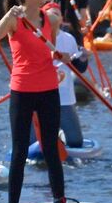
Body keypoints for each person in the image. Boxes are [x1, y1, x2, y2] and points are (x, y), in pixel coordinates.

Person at [0, 0, 71, 203]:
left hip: (48, 90)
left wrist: (62, 57)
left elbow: (54, 49)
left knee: (50, 149)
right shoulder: (15, 21)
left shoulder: (52, 19)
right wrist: (8, 15)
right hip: (22, 90)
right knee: (20, 151)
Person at [31, 20, 87, 149]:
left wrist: (83, 58)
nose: (53, 18)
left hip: (64, 99)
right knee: (31, 144)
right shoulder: (34, 35)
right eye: (49, 15)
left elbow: (79, 67)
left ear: (60, 19)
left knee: (76, 143)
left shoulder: (68, 38)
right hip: (38, 99)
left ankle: (59, 134)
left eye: (56, 14)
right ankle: (52, 135)